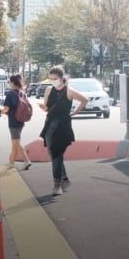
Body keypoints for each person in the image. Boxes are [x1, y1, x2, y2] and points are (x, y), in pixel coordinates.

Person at [38, 66, 87, 196]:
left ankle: (57, 184)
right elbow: (47, 108)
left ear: (62, 78)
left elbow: (84, 100)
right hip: (49, 125)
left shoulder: (69, 91)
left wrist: (75, 113)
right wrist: (43, 107)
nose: (53, 81)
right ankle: (64, 179)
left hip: (63, 125)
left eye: (55, 78)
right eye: (51, 78)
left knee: (57, 154)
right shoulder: (49, 90)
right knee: (52, 152)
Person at [0, 73, 32, 170]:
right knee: (15, 143)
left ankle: (27, 161)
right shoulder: (22, 93)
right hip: (21, 121)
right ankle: (11, 162)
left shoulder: (10, 94)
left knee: (16, 143)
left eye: (10, 82)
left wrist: (0, 111)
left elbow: (6, 109)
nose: (9, 84)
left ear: (12, 83)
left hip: (13, 121)